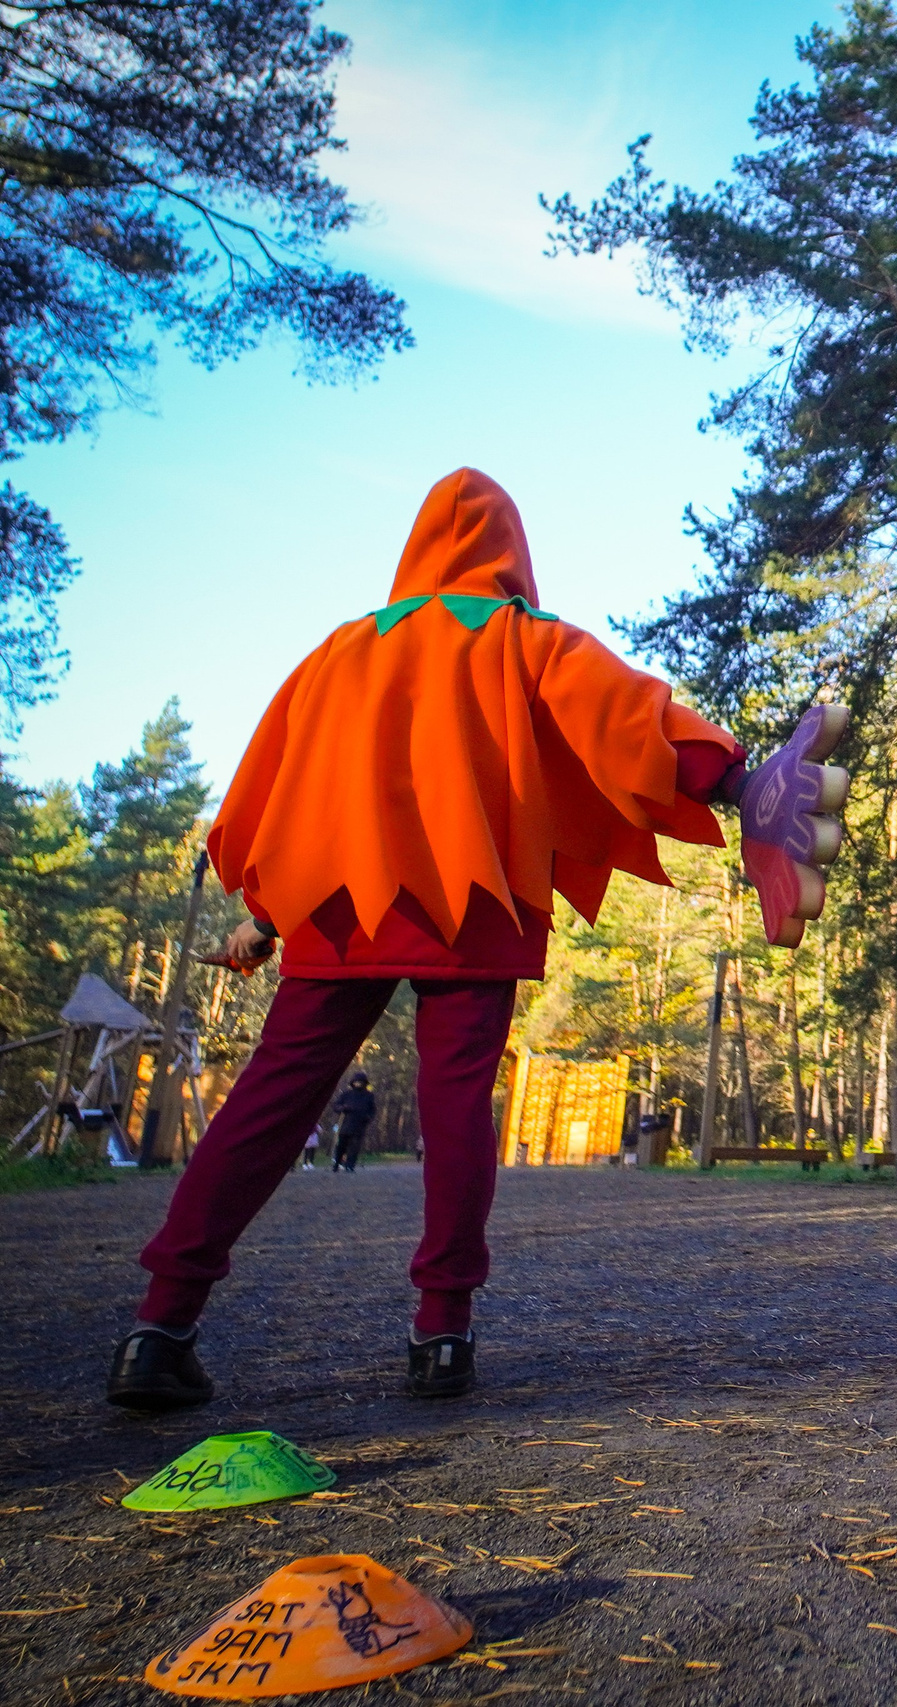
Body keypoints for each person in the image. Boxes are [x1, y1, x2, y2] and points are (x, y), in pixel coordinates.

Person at [108, 469, 843, 1412]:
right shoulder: (521, 637)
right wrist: (740, 783)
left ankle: (159, 1327)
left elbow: (284, 788)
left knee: (270, 1096)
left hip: (342, 901)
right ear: (510, 550)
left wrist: (267, 913)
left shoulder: (339, 652)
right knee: (456, 1100)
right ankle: (441, 1333)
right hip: (476, 895)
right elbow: (627, 715)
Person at [330, 1072, 376, 1172]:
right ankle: (337, 1163)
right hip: (346, 1123)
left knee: (354, 1147)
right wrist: (343, 1108)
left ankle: (350, 1165)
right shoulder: (347, 1094)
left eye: (360, 1082)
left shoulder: (368, 1095)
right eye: (356, 1082)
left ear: (364, 1083)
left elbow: (372, 1110)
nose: (358, 1084)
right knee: (341, 1145)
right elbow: (336, 1105)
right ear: (353, 1082)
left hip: (360, 1124)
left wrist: (369, 1117)